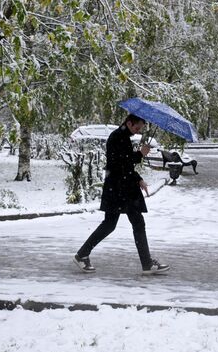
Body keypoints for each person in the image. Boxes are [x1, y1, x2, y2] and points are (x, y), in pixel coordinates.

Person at [73, 114, 170, 275]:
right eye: (137, 127)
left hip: (120, 188)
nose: (138, 131)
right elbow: (119, 163)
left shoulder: (122, 136)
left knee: (114, 224)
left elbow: (126, 166)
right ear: (129, 123)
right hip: (121, 189)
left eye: (140, 129)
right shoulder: (117, 137)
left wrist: (138, 179)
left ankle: (82, 254)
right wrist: (140, 154)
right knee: (133, 223)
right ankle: (146, 263)